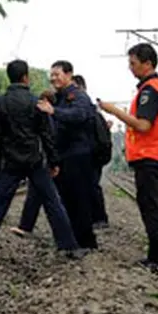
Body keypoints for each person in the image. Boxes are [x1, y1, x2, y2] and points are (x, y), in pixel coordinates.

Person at [0, 61, 84, 259]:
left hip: (10, 162)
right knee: (52, 201)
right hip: (34, 161)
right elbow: (46, 135)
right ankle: (69, 246)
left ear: (9, 78)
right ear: (26, 78)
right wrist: (54, 161)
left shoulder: (0, 103)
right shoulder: (35, 102)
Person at [97, 43, 158, 276]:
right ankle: (156, 256)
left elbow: (143, 125)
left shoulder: (150, 90)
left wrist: (114, 111)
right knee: (156, 208)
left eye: (133, 63)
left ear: (148, 63)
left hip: (152, 157)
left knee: (154, 210)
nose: (130, 68)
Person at [34, 61, 98, 250]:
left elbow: (79, 115)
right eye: (51, 75)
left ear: (69, 74)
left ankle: (86, 242)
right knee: (67, 199)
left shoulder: (77, 96)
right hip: (64, 154)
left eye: (57, 74)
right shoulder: (59, 97)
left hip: (78, 155)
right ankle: (72, 241)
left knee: (79, 199)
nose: (53, 78)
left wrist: (54, 111)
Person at [73, 74, 110, 229]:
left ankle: (100, 218)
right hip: (92, 153)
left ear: (81, 87)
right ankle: (93, 217)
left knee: (92, 185)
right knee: (89, 186)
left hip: (93, 154)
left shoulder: (87, 109)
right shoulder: (92, 110)